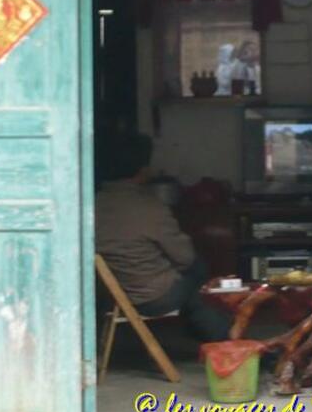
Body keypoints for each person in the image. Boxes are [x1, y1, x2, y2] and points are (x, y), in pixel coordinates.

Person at [94, 132, 230, 342]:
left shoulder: (91, 204)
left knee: (194, 285)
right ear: (143, 170)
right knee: (200, 277)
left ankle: (206, 330)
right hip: (153, 297)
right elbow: (185, 257)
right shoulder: (149, 207)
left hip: (108, 295)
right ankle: (226, 342)